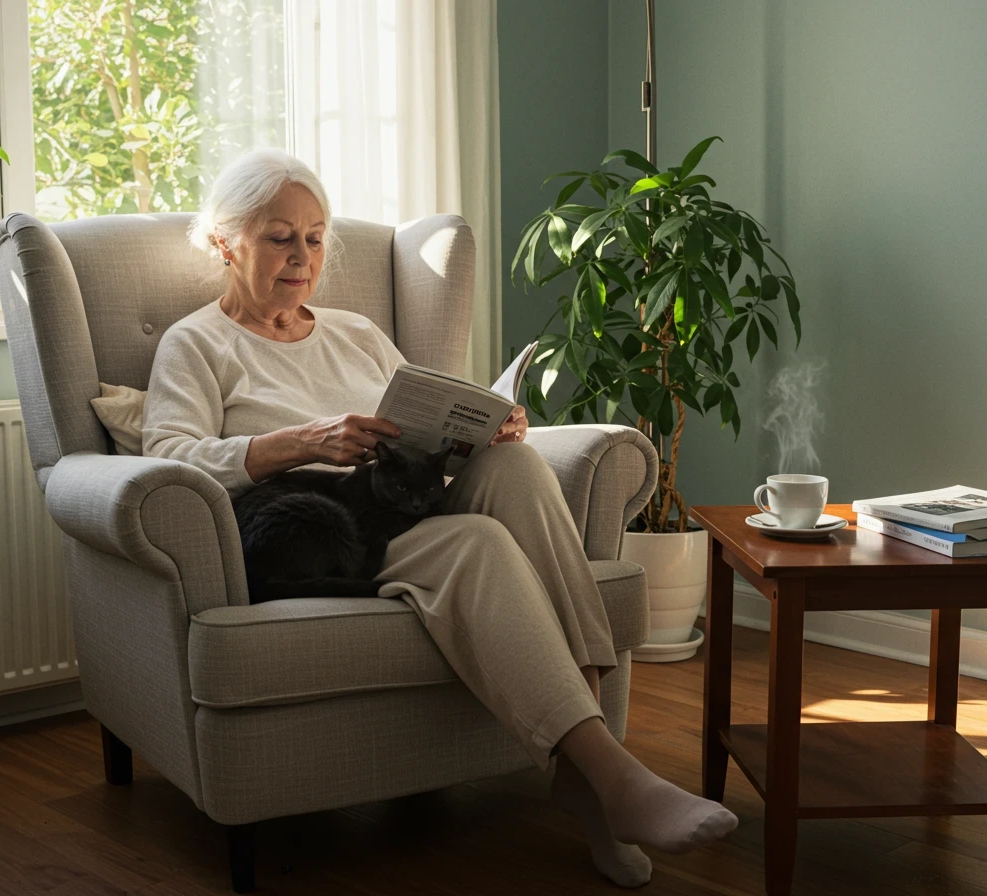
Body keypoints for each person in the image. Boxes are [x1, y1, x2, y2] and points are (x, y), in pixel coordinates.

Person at [143, 148, 738, 888]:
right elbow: (168, 459)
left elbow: (421, 414)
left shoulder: (355, 332)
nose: (303, 257)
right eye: (279, 237)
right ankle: (607, 780)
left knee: (516, 466)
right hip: (325, 534)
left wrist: (483, 427)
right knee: (478, 543)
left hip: (407, 501)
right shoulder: (196, 342)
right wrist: (304, 441)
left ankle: (593, 775)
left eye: (316, 236)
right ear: (227, 242)